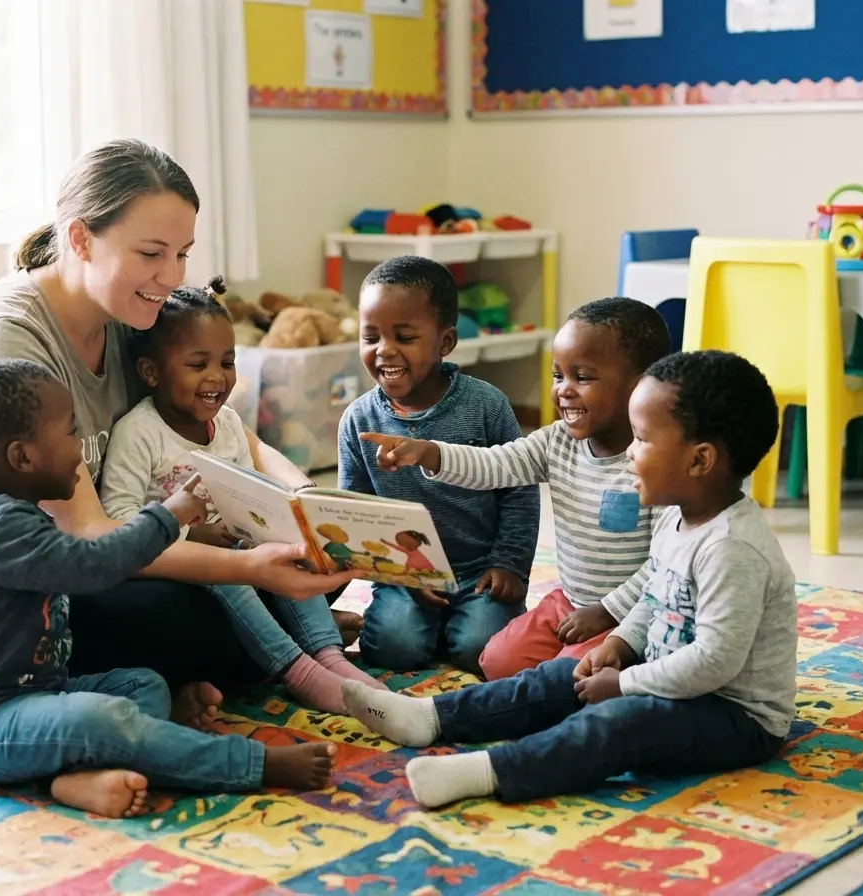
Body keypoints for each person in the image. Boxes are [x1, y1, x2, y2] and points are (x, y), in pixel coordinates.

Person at [0, 138, 355, 694]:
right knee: (198, 610)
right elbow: (87, 536)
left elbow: (236, 438)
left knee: (306, 568)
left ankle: (252, 645)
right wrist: (249, 569)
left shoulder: (131, 316)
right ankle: (259, 648)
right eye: (151, 254)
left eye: (183, 253)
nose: (173, 277)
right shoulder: (5, 339)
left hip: (92, 569)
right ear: (80, 238)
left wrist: (308, 510)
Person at [341, 350, 797, 809]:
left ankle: (489, 772)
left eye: (642, 441)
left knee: (617, 721)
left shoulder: (732, 548)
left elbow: (714, 662)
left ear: (699, 461)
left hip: (734, 716)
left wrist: (623, 684)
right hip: (671, 681)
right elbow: (655, 600)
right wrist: (619, 645)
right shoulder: (680, 520)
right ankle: (430, 717)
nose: (631, 453)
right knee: (558, 678)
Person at [0, 359, 335, 820]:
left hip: (34, 694)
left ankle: (75, 779)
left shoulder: (14, 511)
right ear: (22, 457)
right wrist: (169, 514)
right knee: (101, 721)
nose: (80, 447)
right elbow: (95, 567)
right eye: (70, 432)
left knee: (143, 686)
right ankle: (249, 765)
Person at [98, 277, 383, 714]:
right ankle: (298, 672)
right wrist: (194, 537)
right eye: (198, 364)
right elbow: (120, 520)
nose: (217, 377)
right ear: (151, 372)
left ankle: (327, 655)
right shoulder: (138, 433)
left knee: (293, 551)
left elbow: (251, 492)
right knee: (225, 576)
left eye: (227, 362)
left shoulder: (227, 423)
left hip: (243, 551)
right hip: (187, 568)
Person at [361, 297, 672, 679]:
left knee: (566, 680)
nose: (564, 391)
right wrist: (429, 453)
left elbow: (665, 566)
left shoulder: (660, 465)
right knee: (497, 661)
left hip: (634, 615)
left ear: (642, 384)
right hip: (570, 603)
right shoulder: (556, 442)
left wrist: (606, 612)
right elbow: (494, 465)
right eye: (559, 376)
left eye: (584, 377)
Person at [338, 255, 540, 674]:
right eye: (370, 336)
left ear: (445, 342)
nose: (384, 351)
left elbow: (520, 490)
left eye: (405, 337)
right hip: (404, 578)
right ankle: (424, 623)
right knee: (394, 649)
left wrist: (509, 564)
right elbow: (356, 512)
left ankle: (466, 623)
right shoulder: (358, 420)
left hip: (481, 574)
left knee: (479, 651)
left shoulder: (486, 405)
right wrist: (399, 577)